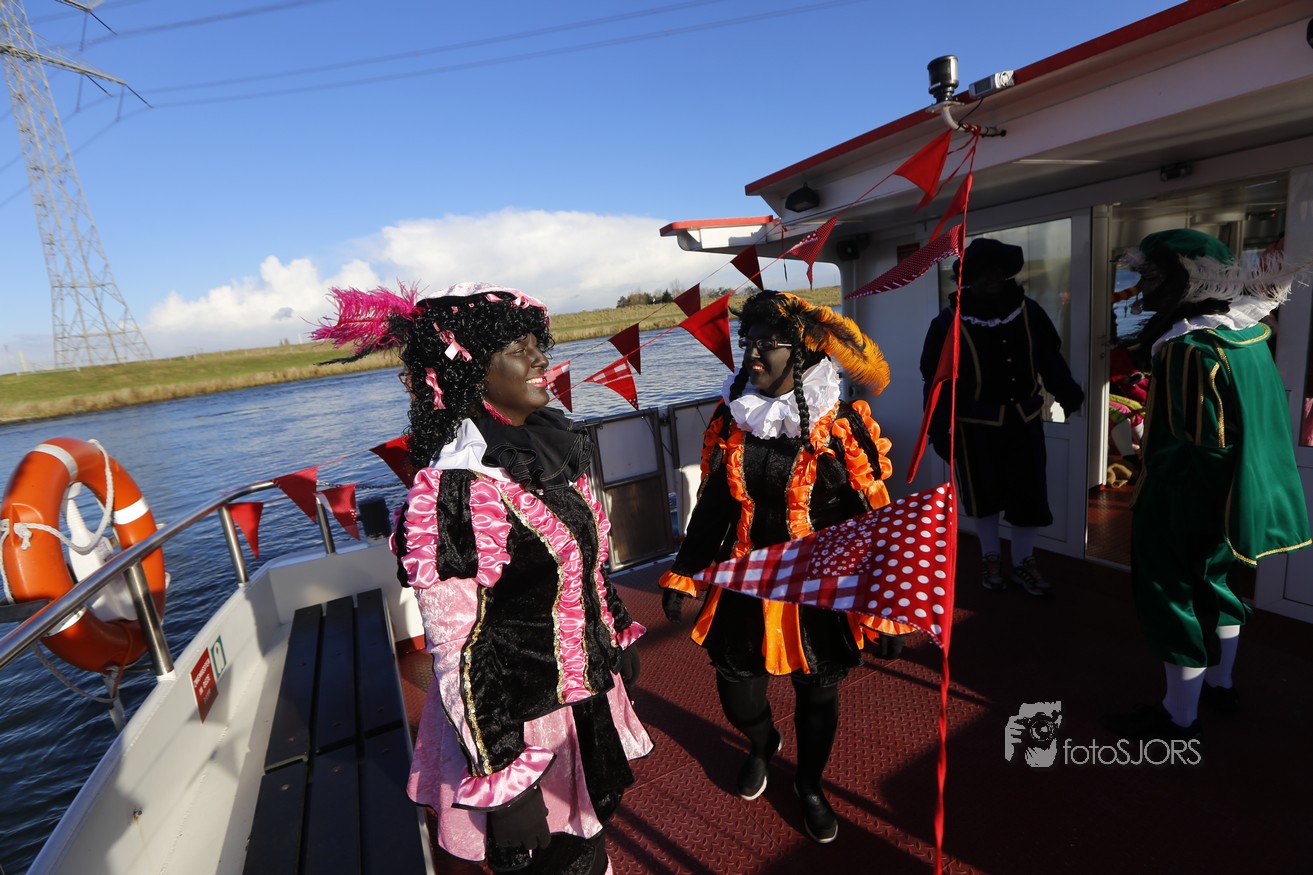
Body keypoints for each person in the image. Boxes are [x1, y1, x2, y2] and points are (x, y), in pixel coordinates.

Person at [314, 282, 652, 874]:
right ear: (471, 372)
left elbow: (585, 562)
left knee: (591, 839)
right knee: (559, 861)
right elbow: (458, 650)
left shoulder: (541, 451)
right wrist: (504, 777)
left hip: (587, 692)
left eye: (536, 343)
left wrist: (615, 631)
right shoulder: (456, 491)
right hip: (520, 721)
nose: (541, 358)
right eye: (519, 349)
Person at [659, 290, 909, 845]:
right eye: (749, 340)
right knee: (737, 695)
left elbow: (874, 518)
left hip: (819, 587)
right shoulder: (733, 417)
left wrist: (889, 607)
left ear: (803, 354)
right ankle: (761, 742)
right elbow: (715, 505)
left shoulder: (839, 426)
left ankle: (810, 785)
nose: (752, 353)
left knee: (817, 694)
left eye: (768, 343)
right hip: (745, 580)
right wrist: (686, 570)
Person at [1106, 229, 1310, 740]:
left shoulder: (1188, 348)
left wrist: (1159, 500)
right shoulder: (1246, 336)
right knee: (1219, 588)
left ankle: (1179, 716)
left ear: (1188, 280)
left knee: (1174, 596)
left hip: (1186, 500)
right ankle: (1221, 684)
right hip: (1233, 497)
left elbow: (1194, 444)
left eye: (1153, 276)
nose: (1143, 288)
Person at [919, 237, 1084, 595]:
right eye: (982, 272)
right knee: (984, 496)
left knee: (1029, 495)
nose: (991, 278)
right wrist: (938, 429)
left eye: (996, 270)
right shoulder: (948, 322)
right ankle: (990, 556)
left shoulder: (1029, 311)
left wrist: (1068, 392)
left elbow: (1049, 358)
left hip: (1024, 421)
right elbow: (936, 381)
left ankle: (1024, 561)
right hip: (973, 427)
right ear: (968, 278)